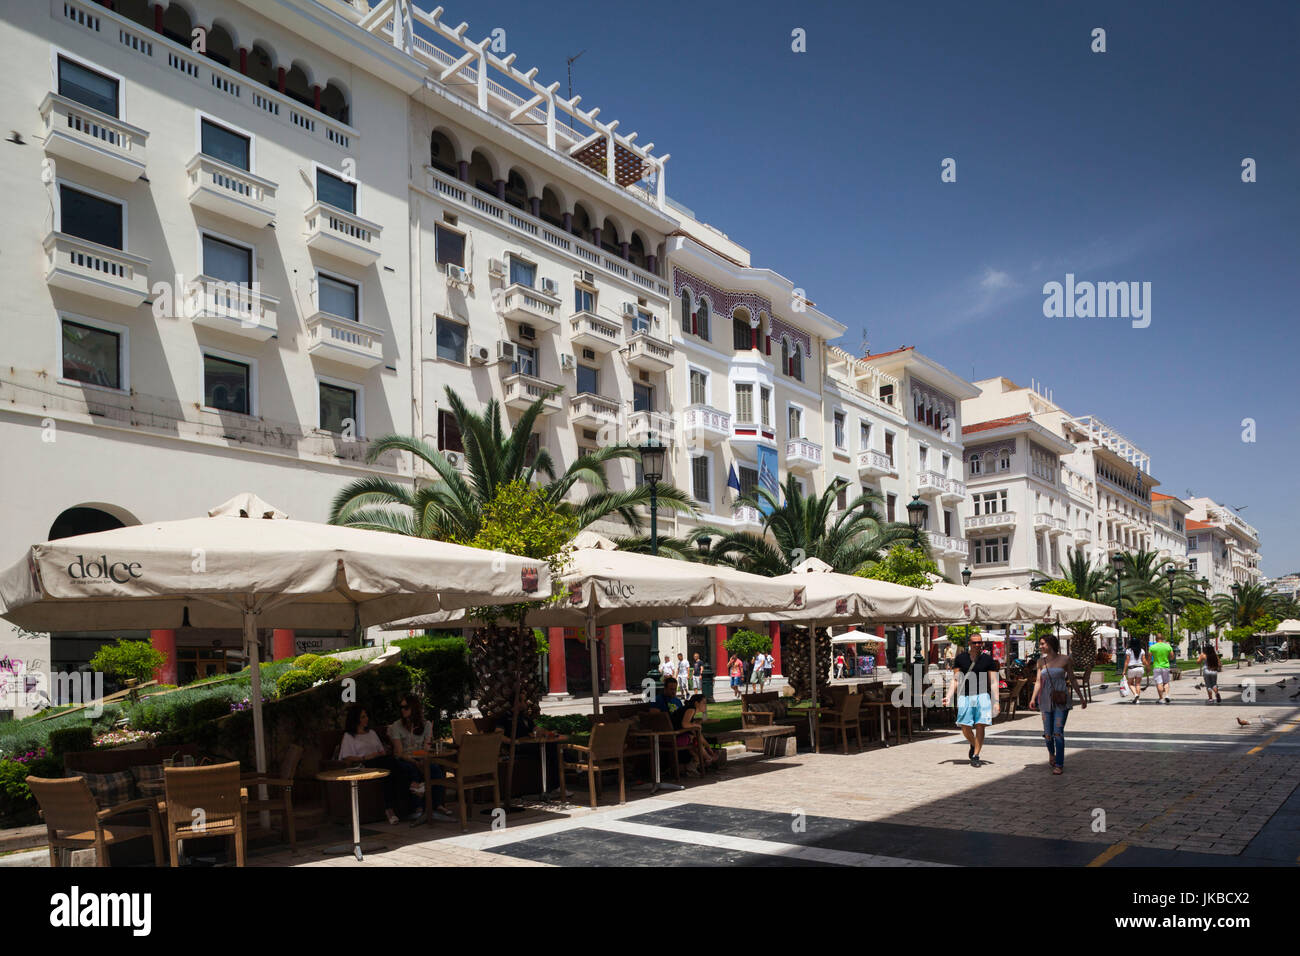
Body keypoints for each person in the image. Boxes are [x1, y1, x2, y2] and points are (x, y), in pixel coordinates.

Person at [339, 704, 408, 825]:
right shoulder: (349, 736)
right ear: (356, 719)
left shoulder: (371, 733)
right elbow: (346, 757)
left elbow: (381, 750)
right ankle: (412, 784)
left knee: (388, 769)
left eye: (366, 716)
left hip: (378, 762)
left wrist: (380, 753)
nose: (366, 719)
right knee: (388, 764)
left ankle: (391, 810)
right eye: (362, 717)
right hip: (363, 764)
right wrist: (366, 757)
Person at [388, 695, 452, 823]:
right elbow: (399, 752)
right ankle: (417, 808)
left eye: (406, 707)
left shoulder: (426, 724)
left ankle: (438, 805)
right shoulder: (396, 726)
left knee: (435, 770)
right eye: (401, 707)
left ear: (414, 708)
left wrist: (422, 760)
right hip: (405, 759)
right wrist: (416, 762)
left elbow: (426, 747)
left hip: (421, 757)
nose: (403, 710)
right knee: (411, 770)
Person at [1028, 634, 1086, 775]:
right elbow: (1038, 681)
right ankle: (1051, 753)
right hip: (1045, 701)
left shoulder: (1065, 659)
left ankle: (1059, 764)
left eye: (1042, 644)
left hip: (1061, 700)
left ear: (1050, 644)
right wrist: (1032, 698)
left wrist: (1081, 697)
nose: (1040, 646)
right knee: (1048, 735)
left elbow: (1072, 679)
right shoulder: (1041, 662)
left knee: (1058, 733)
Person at [944, 635, 999, 767]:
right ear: (969, 643)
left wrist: (996, 701)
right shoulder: (960, 658)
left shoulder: (988, 659)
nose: (977, 645)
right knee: (965, 727)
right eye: (974, 643)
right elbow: (955, 679)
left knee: (980, 725)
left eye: (979, 642)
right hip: (965, 695)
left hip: (982, 695)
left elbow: (993, 681)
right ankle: (974, 744)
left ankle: (976, 755)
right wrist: (949, 695)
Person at [680, 694, 720, 775]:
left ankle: (705, 759)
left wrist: (708, 746)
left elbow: (697, 729)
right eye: (704, 703)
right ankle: (708, 758)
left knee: (696, 737)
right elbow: (684, 724)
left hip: (677, 737)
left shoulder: (690, 710)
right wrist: (697, 725)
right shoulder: (691, 709)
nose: (706, 705)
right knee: (695, 740)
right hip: (676, 738)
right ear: (696, 703)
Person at [1149, 634, 1175, 703]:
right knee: (1166, 682)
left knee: (1159, 683)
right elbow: (1172, 656)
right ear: (1163, 639)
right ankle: (1166, 695)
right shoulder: (1168, 646)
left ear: (1156, 639)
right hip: (1165, 666)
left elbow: (1149, 657)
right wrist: (1167, 658)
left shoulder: (1152, 647)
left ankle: (1161, 698)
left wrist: (1148, 666)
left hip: (1157, 667)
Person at [1124, 638, 1149, 704]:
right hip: (1140, 668)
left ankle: (1135, 694)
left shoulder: (1129, 650)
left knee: (1129, 683)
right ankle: (1137, 700)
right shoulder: (1142, 650)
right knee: (1138, 684)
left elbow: (1127, 661)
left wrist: (1124, 670)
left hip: (1132, 668)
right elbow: (1143, 660)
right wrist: (1147, 666)